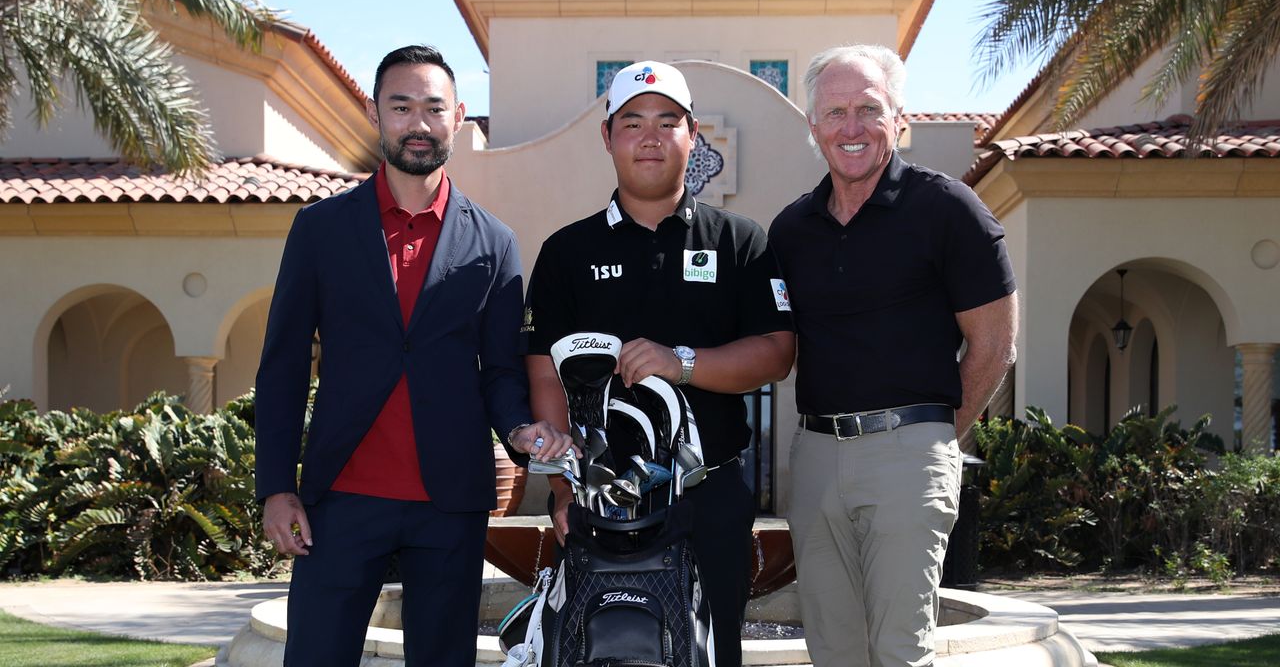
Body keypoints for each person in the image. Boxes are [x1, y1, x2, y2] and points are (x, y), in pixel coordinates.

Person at [254, 44, 572, 667]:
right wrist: (275, 487)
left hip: (449, 503)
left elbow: (501, 371)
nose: (418, 124)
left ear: (459, 118)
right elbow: (283, 365)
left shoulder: (496, 242)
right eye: (401, 107)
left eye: (433, 108)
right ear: (377, 114)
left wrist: (519, 428)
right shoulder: (319, 229)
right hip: (339, 500)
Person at [522, 60, 795, 667]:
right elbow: (544, 371)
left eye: (668, 122)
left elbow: (778, 353)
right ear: (608, 136)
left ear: (692, 135)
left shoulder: (740, 241)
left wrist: (684, 364)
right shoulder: (566, 252)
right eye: (633, 122)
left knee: (712, 647)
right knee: (601, 647)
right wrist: (565, 484)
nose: (650, 137)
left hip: (711, 491)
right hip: (599, 498)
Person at [769, 44, 1018, 667]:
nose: (851, 128)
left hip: (910, 454)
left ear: (898, 118)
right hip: (817, 456)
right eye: (835, 112)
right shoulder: (790, 230)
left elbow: (995, 346)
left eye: (868, 109)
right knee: (833, 650)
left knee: (900, 651)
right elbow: (781, 346)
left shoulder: (949, 210)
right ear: (813, 127)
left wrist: (933, 439)